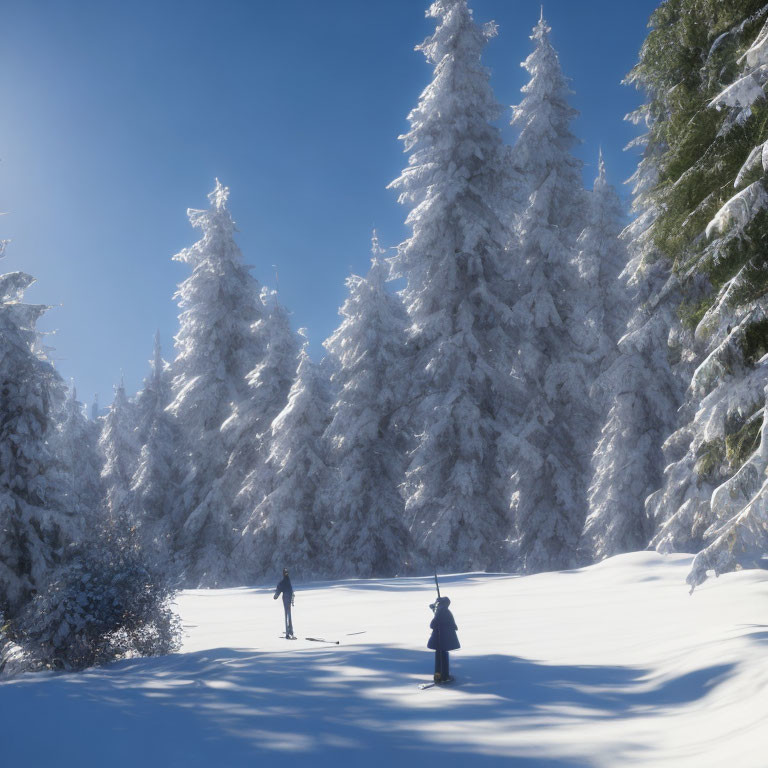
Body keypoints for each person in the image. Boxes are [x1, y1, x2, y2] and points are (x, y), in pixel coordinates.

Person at [428, 596, 459, 683]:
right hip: (444, 640)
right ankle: (444, 677)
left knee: (439, 658)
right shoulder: (445, 611)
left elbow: (433, 624)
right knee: (443, 658)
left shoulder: (440, 611)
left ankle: (438, 677)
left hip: (439, 640)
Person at [273, 568, 295, 638]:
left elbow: (279, 589)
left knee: (287, 614)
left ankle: (288, 633)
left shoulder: (283, 582)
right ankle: (290, 631)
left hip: (286, 599)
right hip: (288, 598)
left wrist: (276, 596)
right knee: (289, 614)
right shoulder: (288, 580)